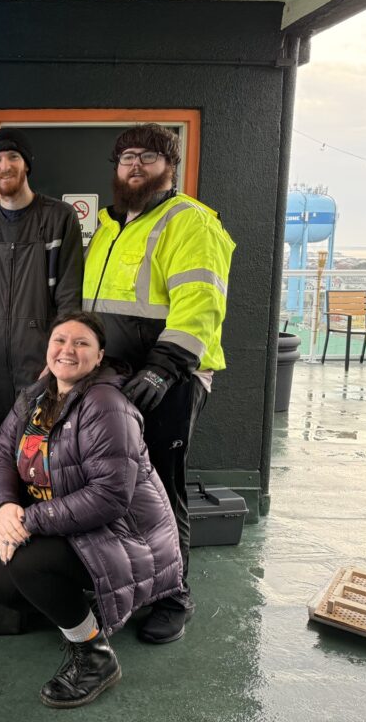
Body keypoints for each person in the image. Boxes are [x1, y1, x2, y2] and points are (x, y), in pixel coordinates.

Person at [0, 311, 183, 708]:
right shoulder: (39, 394)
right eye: (59, 340)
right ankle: (78, 612)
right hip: (69, 523)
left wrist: (27, 521)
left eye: (81, 343)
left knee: (25, 564)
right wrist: (3, 508)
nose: (67, 350)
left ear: (100, 354)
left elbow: (109, 497)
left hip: (121, 534)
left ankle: (96, 657)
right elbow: (3, 451)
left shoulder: (106, 404)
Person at [83, 123, 235, 643]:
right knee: (113, 486)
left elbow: (202, 301)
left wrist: (163, 366)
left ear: (170, 166)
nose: (135, 165)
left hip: (168, 377)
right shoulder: (108, 227)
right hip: (113, 382)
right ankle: (127, 586)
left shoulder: (189, 221)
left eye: (148, 157)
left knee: (160, 489)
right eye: (126, 157)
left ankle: (173, 596)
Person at [0, 128, 83, 475]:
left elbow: (70, 299)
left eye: (12, 157)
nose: (4, 166)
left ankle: (42, 524)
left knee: (43, 448)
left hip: (40, 359)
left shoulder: (59, 219)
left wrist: (60, 360)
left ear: (26, 165)